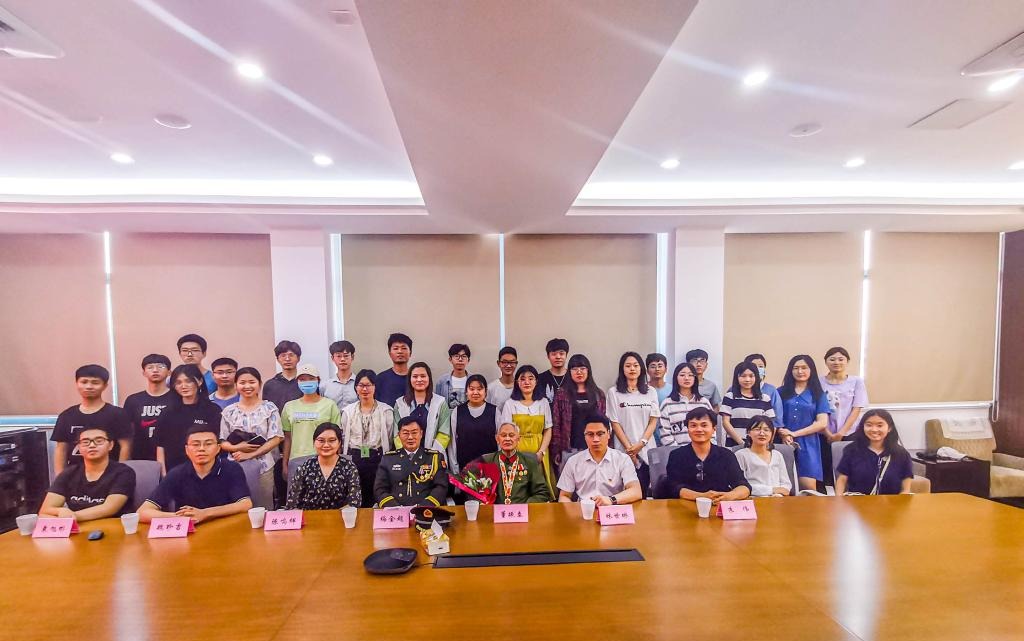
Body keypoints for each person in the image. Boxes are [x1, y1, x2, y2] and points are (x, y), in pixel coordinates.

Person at [138, 425, 252, 523]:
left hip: (225, 526)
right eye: (195, 444)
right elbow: (143, 512)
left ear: (218, 449)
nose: (201, 449)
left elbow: (245, 504)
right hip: (190, 530)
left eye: (208, 444)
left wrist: (205, 513)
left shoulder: (231, 469)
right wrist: (182, 517)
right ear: (187, 450)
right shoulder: (177, 473)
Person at [218, 367, 284, 510]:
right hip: (235, 465)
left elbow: (276, 438)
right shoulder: (229, 411)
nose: (247, 386)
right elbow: (222, 441)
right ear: (236, 385)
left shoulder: (269, 408)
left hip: (264, 466)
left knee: (264, 506)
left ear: (259, 384)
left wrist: (250, 454)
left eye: (252, 382)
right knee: (236, 506)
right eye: (242, 382)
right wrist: (238, 448)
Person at [38, 426, 135, 521]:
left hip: (113, 526)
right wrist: (60, 511)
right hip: (78, 527)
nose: (92, 445)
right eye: (85, 442)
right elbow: (44, 511)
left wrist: (72, 516)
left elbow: (110, 508)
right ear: (79, 447)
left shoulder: (123, 472)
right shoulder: (69, 473)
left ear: (110, 445)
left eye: (99, 441)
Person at [657, 407, 751, 503]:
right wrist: (702, 497)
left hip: (718, 506)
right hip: (685, 506)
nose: (699, 429)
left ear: (714, 429)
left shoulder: (726, 455)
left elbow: (744, 486)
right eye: (693, 425)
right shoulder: (676, 456)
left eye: (704, 425)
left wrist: (729, 496)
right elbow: (673, 487)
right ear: (688, 429)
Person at [51, 364, 132, 475]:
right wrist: (60, 477)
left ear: (105, 386)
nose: (89, 386)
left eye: (95, 383)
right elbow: (61, 449)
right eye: (84, 382)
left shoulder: (117, 414)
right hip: (75, 474)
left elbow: (125, 446)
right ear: (76, 383)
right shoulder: (66, 415)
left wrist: (121, 473)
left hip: (109, 474)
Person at [556, 413, 641, 505]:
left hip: (613, 508)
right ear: (584, 436)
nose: (595, 439)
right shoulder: (573, 461)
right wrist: (575, 511)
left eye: (600, 434)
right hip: (584, 509)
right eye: (590, 434)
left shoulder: (622, 459)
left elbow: (636, 491)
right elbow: (564, 496)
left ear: (609, 434)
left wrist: (611, 500)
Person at [607, 351, 661, 496]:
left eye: (636, 365)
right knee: (625, 492)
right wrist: (630, 449)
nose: (632, 369)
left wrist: (641, 443)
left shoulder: (650, 391)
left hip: (646, 448)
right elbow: (614, 422)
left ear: (641, 368)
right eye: (628, 366)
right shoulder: (613, 392)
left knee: (645, 492)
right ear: (622, 369)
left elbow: (653, 420)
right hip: (624, 450)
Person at [338, 369, 394, 507]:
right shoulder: (347, 411)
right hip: (354, 458)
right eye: (361, 385)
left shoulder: (386, 411)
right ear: (356, 388)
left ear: (375, 387)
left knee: (377, 496)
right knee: (355, 497)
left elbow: (389, 437)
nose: (365, 389)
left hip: (378, 457)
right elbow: (343, 437)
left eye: (368, 385)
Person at [155, 364, 222, 476]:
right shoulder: (167, 412)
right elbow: (160, 446)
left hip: (206, 470)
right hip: (174, 471)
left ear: (200, 381)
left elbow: (218, 442)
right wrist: (164, 475)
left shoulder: (212, 410)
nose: (183, 386)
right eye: (178, 383)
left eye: (188, 381)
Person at [777, 355, 831, 491]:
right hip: (783, 442)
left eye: (804, 368)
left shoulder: (818, 394)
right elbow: (775, 417)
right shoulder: (781, 392)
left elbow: (822, 423)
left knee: (808, 487)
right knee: (783, 486)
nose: (800, 371)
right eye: (796, 368)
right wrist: (784, 433)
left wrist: (794, 433)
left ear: (811, 370)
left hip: (809, 444)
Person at [499, 365, 555, 491]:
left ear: (536, 381)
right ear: (517, 382)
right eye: (522, 379)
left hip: (539, 451)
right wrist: (512, 453)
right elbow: (506, 432)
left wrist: (541, 452)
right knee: (519, 487)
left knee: (540, 488)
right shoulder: (510, 404)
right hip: (516, 451)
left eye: (531, 378)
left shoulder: (543, 402)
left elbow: (548, 429)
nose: (527, 382)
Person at [374, 416, 449, 507]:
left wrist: (424, 506)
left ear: (421, 434)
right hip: (396, 510)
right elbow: (380, 489)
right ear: (399, 435)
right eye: (405, 433)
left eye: (414, 433)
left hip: (425, 509)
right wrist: (395, 507)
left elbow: (441, 486)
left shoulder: (434, 458)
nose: (410, 437)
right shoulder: (388, 459)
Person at [835, 409, 914, 495]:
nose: (874, 429)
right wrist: (839, 499)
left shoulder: (901, 454)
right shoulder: (851, 450)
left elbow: (906, 489)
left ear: (889, 428)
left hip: (891, 502)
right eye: (869, 425)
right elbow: (842, 480)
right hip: (857, 501)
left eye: (880, 425)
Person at [285, 423, 362, 510]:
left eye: (332, 440)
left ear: (339, 443)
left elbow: (355, 502)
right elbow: (292, 503)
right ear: (314, 442)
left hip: (340, 517)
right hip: (309, 517)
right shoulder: (305, 467)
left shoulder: (349, 467)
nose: (326, 445)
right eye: (321, 440)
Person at [281, 364, 342, 472]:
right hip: (296, 461)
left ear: (318, 380)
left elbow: (337, 438)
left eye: (311, 378)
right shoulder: (289, 406)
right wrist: (285, 463)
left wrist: (337, 463)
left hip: (324, 460)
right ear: (297, 382)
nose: (307, 382)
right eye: (302, 379)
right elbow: (287, 438)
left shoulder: (330, 405)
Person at [551, 353, 606, 472]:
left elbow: (605, 424)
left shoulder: (598, 394)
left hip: (594, 448)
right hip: (569, 449)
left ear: (588, 370)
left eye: (582, 368)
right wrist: (556, 450)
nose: (579, 372)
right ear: (569, 372)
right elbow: (556, 424)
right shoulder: (562, 394)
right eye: (575, 369)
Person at [476, 422, 552, 503]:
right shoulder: (487, 461)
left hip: (522, 509)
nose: (507, 439)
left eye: (511, 435)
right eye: (503, 435)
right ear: (497, 439)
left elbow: (542, 492)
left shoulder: (530, 461)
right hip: (495, 510)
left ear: (518, 439)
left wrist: (524, 507)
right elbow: (475, 491)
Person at [122, 354, 172, 461]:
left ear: (169, 372)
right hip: (140, 457)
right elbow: (127, 433)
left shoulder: (177, 399)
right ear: (144, 373)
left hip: (171, 457)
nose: (155, 370)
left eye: (160, 366)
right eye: (150, 367)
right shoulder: (133, 400)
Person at [448, 374, 500, 474]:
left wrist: (498, 466)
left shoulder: (494, 411)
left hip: (490, 467)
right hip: (464, 468)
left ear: (486, 392)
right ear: (466, 392)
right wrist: (455, 468)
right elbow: (452, 442)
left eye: (479, 389)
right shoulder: (457, 411)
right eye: (472, 389)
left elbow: (500, 440)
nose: (475, 392)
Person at [734, 415, 792, 497]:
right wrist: (772, 490)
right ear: (748, 432)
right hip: (754, 499)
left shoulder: (777, 455)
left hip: (778, 499)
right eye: (757, 429)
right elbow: (740, 486)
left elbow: (786, 483)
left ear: (772, 434)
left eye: (766, 430)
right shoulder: (741, 455)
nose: (762, 433)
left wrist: (779, 493)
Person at [720, 361, 776, 446]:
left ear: (756, 377)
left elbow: (770, 424)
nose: (747, 379)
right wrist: (742, 443)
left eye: (751, 376)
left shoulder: (765, 399)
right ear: (737, 377)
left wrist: (766, 443)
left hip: (759, 445)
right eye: (743, 376)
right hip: (735, 444)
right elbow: (726, 422)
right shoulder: (730, 397)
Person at [820, 346, 869, 443]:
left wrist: (841, 433)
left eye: (841, 359)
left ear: (847, 361)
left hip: (850, 432)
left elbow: (856, 409)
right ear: (826, 362)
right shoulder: (818, 382)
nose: (836, 362)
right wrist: (827, 433)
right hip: (823, 432)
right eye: (832, 359)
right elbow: (815, 409)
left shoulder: (856, 381)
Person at [658, 362, 714, 446]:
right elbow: (664, 434)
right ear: (676, 378)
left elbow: (712, 429)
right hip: (677, 452)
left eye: (690, 375)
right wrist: (680, 451)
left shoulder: (704, 402)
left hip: (703, 450)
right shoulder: (667, 404)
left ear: (695, 378)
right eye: (682, 375)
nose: (686, 378)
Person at [744, 353, 784, 428]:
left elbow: (777, 418)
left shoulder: (771, 390)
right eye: (754, 366)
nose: (757, 369)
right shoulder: (734, 389)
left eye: (761, 366)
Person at [263, 340, 303, 412]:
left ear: (298, 358)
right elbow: (266, 410)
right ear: (278, 359)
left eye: (291, 355)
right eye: (283, 355)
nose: (287, 359)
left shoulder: (305, 383)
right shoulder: (270, 385)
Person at [375, 333, 413, 406]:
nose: (400, 351)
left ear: (410, 353)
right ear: (390, 353)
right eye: (396, 348)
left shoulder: (417, 379)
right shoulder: (380, 379)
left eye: (404, 348)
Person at [321, 340, 358, 411]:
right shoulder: (324, 386)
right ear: (332, 358)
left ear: (352, 357)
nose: (342, 359)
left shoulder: (360, 384)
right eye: (338, 356)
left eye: (346, 356)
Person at [435, 343, 472, 408]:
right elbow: (437, 404)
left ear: (468, 360)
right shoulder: (442, 381)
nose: (460, 359)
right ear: (450, 359)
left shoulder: (473, 380)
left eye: (463, 356)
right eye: (456, 356)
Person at [536, 338, 570, 404]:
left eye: (561, 353)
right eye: (554, 354)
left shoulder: (573, 377)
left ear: (566, 355)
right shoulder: (540, 379)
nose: (558, 357)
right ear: (548, 356)